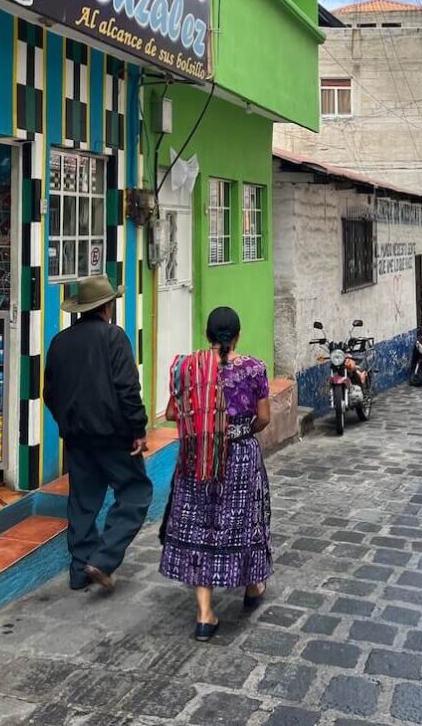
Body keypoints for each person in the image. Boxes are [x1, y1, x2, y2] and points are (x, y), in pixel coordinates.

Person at [159, 307, 272, 642]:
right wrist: (240, 432)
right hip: (239, 455)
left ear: (207, 335)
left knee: (199, 525)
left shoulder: (188, 368)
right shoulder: (254, 369)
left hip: (198, 456)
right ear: (237, 335)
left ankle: (205, 613)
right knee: (244, 520)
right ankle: (252, 585)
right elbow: (264, 418)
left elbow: (170, 412)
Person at [44, 275, 151, 593]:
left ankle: (79, 572)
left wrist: (67, 421)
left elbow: (50, 391)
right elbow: (128, 388)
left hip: (77, 436)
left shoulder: (60, 342)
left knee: (82, 501)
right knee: (135, 492)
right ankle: (103, 559)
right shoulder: (114, 337)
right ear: (107, 306)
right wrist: (138, 429)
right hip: (112, 434)